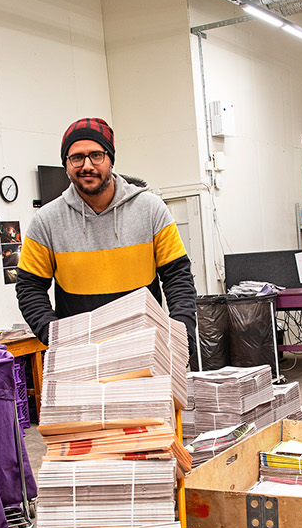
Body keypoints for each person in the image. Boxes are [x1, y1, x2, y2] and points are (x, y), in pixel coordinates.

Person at [16, 117, 197, 354]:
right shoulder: (46, 221)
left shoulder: (151, 210)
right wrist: (56, 337)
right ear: (66, 164)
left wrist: (182, 334)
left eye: (96, 155)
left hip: (145, 352)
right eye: (77, 157)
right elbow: (29, 287)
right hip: (82, 360)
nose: (87, 165)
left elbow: (177, 278)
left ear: (110, 159)